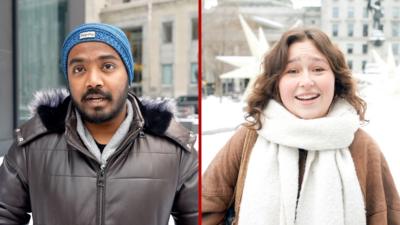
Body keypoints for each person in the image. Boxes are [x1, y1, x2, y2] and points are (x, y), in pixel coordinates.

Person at [0, 23, 198, 225]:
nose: (93, 80)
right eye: (79, 69)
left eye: (107, 66)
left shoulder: (176, 148)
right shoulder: (31, 145)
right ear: (68, 79)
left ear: (128, 75)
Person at [202, 28, 400, 225]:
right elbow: (202, 209)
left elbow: (389, 217)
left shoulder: (362, 146)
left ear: (336, 78)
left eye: (318, 69)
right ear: (276, 81)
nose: (306, 81)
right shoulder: (249, 137)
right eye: (292, 71)